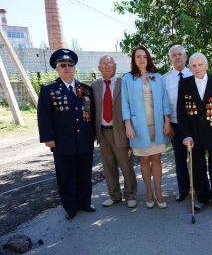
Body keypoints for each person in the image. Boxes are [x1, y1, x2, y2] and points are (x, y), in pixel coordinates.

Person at [37, 48, 96, 220]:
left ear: (74, 67)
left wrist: (93, 133)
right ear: (56, 68)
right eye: (63, 65)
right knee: (66, 175)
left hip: (84, 139)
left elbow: (91, 113)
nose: (67, 67)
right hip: (63, 141)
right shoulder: (49, 89)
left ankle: (85, 202)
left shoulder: (85, 89)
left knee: (84, 174)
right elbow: (44, 116)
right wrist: (48, 138)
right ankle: (70, 206)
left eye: (70, 64)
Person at [177, 52, 212, 213]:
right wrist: (186, 135)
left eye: (200, 65)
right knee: (197, 168)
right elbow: (182, 113)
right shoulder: (184, 84)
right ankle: (201, 198)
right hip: (194, 136)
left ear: (206, 65)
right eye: (193, 65)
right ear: (189, 67)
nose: (197, 68)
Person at [121, 46, 171, 209]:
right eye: (138, 57)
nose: (142, 59)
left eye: (144, 56)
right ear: (134, 60)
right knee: (144, 159)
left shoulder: (157, 77)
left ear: (148, 58)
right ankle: (148, 193)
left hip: (156, 124)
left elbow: (164, 100)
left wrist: (167, 121)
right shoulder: (128, 79)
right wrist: (128, 125)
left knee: (156, 158)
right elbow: (125, 103)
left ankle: (158, 192)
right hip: (138, 125)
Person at [162, 45, 209, 202]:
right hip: (175, 124)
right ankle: (183, 190)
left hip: (194, 124)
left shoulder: (195, 73)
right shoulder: (165, 79)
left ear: (186, 56)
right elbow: (164, 104)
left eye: (180, 54)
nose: (178, 57)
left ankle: (203, 188)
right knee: (180, 159)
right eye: (174, 55)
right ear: (170, 58)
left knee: (197, 158)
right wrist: (167, 123)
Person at [92, 55, 138, 208]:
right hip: (103, 132)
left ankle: (130, 195)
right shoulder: (95, 85)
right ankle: (114, 195)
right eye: (103, 64)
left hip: (120, 130)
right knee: (108, 166)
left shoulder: (123, 82)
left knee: (126, 164)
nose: (107, 66)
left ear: (115, 65)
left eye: (110, 63)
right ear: (99, 68)